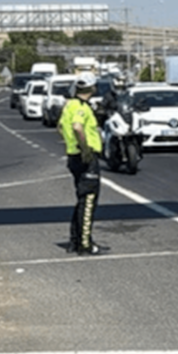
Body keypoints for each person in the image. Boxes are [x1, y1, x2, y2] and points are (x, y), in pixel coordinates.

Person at [59, 74, 104, 255]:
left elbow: (60, 127)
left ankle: (75, 240)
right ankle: (85, 244)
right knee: (88, 200)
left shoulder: (69, 105)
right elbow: (77, 126)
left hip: (73, 157)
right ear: (92, 88)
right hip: (85, 158)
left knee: (81, 199)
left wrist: (70, 143)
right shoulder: (81, 107)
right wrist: (85, 148)